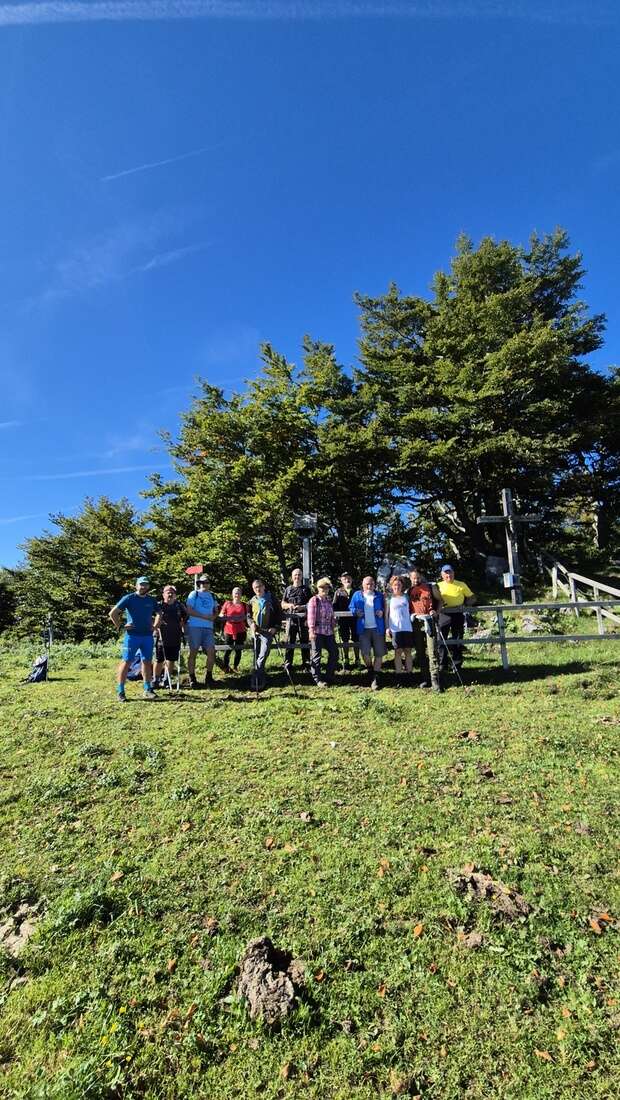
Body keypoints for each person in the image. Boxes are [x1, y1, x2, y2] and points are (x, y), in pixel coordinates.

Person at [109, 576, 160, 702]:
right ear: (136, 585)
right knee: (126, 661)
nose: (143, 587)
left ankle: (147, 689)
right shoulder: (129, 598)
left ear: (148, 586)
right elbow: (113, 613)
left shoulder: (151, 600)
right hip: (132, 636)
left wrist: (155, 626)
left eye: (146, 584)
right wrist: (121, 626)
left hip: (147, 636)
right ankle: (120, 691)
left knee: (147, 662)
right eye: (141, 584)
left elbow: (159, 613)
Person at [348, 575, 386, 690]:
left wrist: (382, 611)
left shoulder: (379, 595)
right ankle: (370, 669)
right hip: (363, 629)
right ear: (363, 585)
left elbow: (386, 607)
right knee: (365, 653)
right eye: (367, 584)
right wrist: (356, 612)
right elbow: (351, 607)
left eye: (371, 584)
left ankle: (375, 677)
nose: (369, 586)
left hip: (378, 628)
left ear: (374, 585)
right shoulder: (357, 595)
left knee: (379, 653)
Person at [436, 564, 476, 674]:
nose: (448, 575)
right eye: (446, 573)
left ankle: (457, 664)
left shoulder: (461, 584)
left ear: (454, 573)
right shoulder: (438, 586)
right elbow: (433, 599)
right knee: (441, 639)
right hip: (443, 614)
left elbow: (472, 597)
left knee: (457, 638)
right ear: (442, 575)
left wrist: (465, 604)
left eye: (450, 572)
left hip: (457, 613)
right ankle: (442, 664)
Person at [409, 566, 443, 692]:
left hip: (429, 621)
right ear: (410, 578)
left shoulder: (430, 587)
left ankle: (435, 679)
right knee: (420, 651)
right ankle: (425, 678)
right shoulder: (409, 591)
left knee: (432, 650)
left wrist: (436, 612)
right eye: (414, 578)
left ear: (421, 577)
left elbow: (440, 600)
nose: (416, 580)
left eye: (418, 577)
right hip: (416, 623)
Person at [247, 579, 282, 692]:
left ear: (263, 587)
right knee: (256, 656)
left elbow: (279, 614)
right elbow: (248, 616)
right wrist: (251, 624)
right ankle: (259, 679)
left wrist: (275, 627)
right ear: (253, 589)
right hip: (256, 632)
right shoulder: (252, 601)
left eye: (259, 586)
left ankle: (256, 676)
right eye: (255, 587)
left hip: (267, 632)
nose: (258, 589)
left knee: (262, 656)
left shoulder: (271, 599)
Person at [185, 574, 219, 689]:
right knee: (193, 652)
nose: (205, 584)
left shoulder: (212, 596)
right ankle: (192, 678)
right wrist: (204, 617)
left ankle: (208, 677)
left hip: (208, 628)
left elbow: (216, 610)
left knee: (211, 652)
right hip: (195, 626)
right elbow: (189, 610)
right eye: (203, 582)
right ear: (199, 583)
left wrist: (214, 616)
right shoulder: (194, 594)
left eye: (207, 582)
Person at [153, 584, 187, 688]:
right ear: (163, 594)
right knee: (159, 659)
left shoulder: (179, 606)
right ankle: (155, 680)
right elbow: (149, 616)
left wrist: (183, 625)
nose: (170, 594)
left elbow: (186, 617)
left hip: (175, 635)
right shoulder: (159, 605)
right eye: (168, 592)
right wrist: (155, 627)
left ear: (175, 595)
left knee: (171, 659)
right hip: (161, 636)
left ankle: (166, 679)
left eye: (172, 593)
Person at [307, 578, 338, 687]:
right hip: (317, 631)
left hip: (329, 631)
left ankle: (329, 675)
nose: (324, 589)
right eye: (322, 587)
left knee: (334, 653)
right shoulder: (314, 600)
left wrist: (333, 622)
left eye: (326, 587)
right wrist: (311, 631)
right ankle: (317, 679)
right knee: (316, 656)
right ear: (318, 588)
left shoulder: (329, 601)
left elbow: (331, 615)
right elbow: (311, 617)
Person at [281, 567, 311, 674]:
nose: (297, 576)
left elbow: (311, 603)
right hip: (291, 620)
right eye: (295, 575)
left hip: (303, 620)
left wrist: (302, 607)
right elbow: (282, 604)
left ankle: (306, 663)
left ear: (302, 577)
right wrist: (289, 605)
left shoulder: (306, 589)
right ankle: (288, 664)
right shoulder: (288, 589)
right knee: (290, 642)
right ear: (292, 577)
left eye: (299, 575)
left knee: (304, 641)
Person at [386, 574, 414, 686]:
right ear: (391, 586)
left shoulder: (406, 597)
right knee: (398, 652)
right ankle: (399, 676)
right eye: (395, 585)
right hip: (395, 628)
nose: (397, 586)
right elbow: (386, 615)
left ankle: (410, 675)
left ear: (402, 586)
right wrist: (387, 628)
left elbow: (412, 609)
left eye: (399, 584)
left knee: (408, 651)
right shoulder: (389, 598)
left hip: (407, 627)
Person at [332, 572, 359, 669]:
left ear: (351, 579)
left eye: (348, 578)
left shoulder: (357, 592)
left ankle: (357, 659)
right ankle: (346, 659)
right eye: (344, 579)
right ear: (341, 581)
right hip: (343, 620)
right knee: (345, 639)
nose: (347, 580)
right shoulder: (338, 592)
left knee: (356, 639)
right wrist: (335, 617)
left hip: (355, 619)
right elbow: (334, 606)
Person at [219, 586, 248, 672]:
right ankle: (225, 667)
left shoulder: (244, 605)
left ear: (241, 594)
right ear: (232, 594)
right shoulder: (227, 603)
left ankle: (235, 667)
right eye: (235, 593)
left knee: (238, 649)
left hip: (241, 629)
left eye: (239, 593)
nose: (237, 595)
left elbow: (248, 616)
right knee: (228, 649)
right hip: (229, 629)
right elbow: (221, 614)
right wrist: (222, 616)